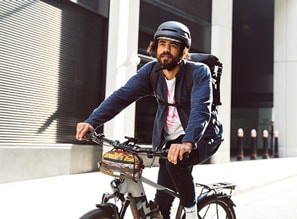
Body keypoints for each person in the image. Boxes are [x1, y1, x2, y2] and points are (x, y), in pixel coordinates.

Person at [75, 21, 223, 219]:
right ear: (155, 47)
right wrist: (92, 121)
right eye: (162, 44)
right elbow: (122, 97)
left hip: (202, 136)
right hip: (168, 142)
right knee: (162, 201)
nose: (166, 50)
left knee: (175, 164)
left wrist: (187, 142)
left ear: (182, 50)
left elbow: (200, 109)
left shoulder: (198, 72)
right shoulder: (151, 72)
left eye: (173, 45)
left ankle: (191, 212)